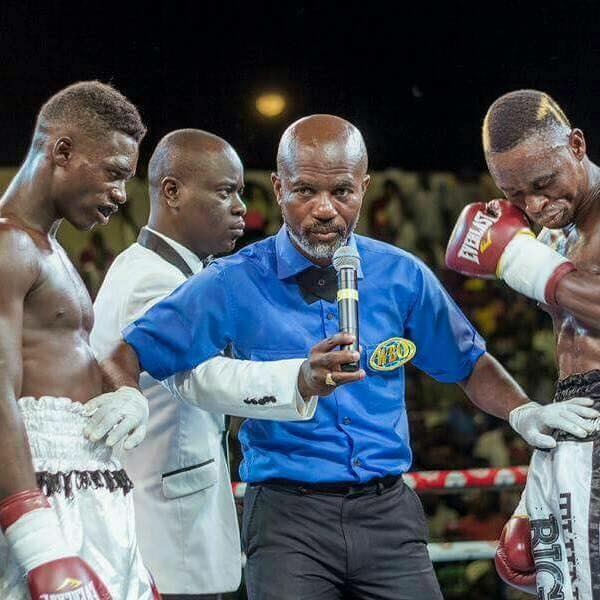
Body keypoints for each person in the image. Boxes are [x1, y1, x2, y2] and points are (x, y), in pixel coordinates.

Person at [103, 114, 595, 600]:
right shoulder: (232, 281)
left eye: (341, 191)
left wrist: (523, 411)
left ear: (364, 187)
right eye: (305, 191)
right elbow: (127, 352)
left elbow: (467, 362)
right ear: (278, 188)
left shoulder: (401, 275)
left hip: (388, 513)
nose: (324, 209)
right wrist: (127, 398)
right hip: (287, 522)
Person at [92, 129, 325, 599]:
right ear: (172, 192)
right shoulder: (153, 280)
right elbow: (196, 378)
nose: (241, 207)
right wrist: (299, 377)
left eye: (239, 192)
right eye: (225, 192)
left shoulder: (161, 268)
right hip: (167, 531)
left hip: (173, 516)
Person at [0, 81, 159, 599]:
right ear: (62, 151)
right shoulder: (8, 245)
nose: (121, 194)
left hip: (84, 485)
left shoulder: (49, 249)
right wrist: (35, 536)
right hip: (41, 496)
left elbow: (72, 356)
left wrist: (126, 392)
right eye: (114, 173)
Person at [446, 89, 600, 599]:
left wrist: (518, 260)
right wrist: (543, 474)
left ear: (576, 145)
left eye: (543, 183)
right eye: (515, 194)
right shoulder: (556, 233)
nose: (534, 205)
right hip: (573, 423)